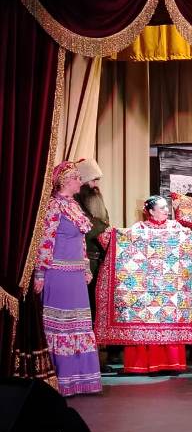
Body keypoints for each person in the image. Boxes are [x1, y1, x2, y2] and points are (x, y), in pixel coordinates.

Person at [33, 161, 102, 397]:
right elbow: (45, 241)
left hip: (74, 275)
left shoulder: (74, 206)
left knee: (79, 325)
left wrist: (85, 268)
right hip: (57, 273)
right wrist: (40, 272)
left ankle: (81, 378)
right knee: (60, 327)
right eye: (76, 178)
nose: (80, 182)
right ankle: (60, 380)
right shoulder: (53, 206)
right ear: (65, 181)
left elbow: (81, 241)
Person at [122, 195, 188, 375]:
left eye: (167, 207)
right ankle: (144, 364)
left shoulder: (175, 227)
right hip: (147, 284)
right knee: (147, 320)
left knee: (169, 321)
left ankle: (170, 364)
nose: (167, 210)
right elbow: (126, 247)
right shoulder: (139, 228)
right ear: (151, 211)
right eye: (162, 208)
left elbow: (189, 246)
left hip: (169, 284)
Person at [74, 158, 110, 323]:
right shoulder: (74, 203)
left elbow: (104, 223)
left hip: (99, 260)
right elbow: (85, 229)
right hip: (84, 260)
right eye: (93, 180)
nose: (96, 185)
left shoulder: (97, 200)